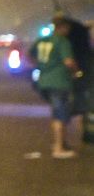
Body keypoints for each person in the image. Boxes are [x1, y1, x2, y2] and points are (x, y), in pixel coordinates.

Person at [30, 18, 79, 159]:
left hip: (44, 82)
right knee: (60, 114)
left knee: (56, 112)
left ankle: (61, 142)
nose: (68, 31)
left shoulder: (42, 40)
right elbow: (69, 62)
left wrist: (39, 66)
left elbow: (30, 55)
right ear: (62, 27)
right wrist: (76, 71)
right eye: (67, 28)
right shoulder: (62, 41)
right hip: (60, 82)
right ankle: (58, 149)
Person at [64, 18, 93, 144]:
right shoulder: (86, 48)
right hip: (87, 79)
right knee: (89, 108)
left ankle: (86, 133)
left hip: (80, 80)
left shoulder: (74, 46)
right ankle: (89, 133)